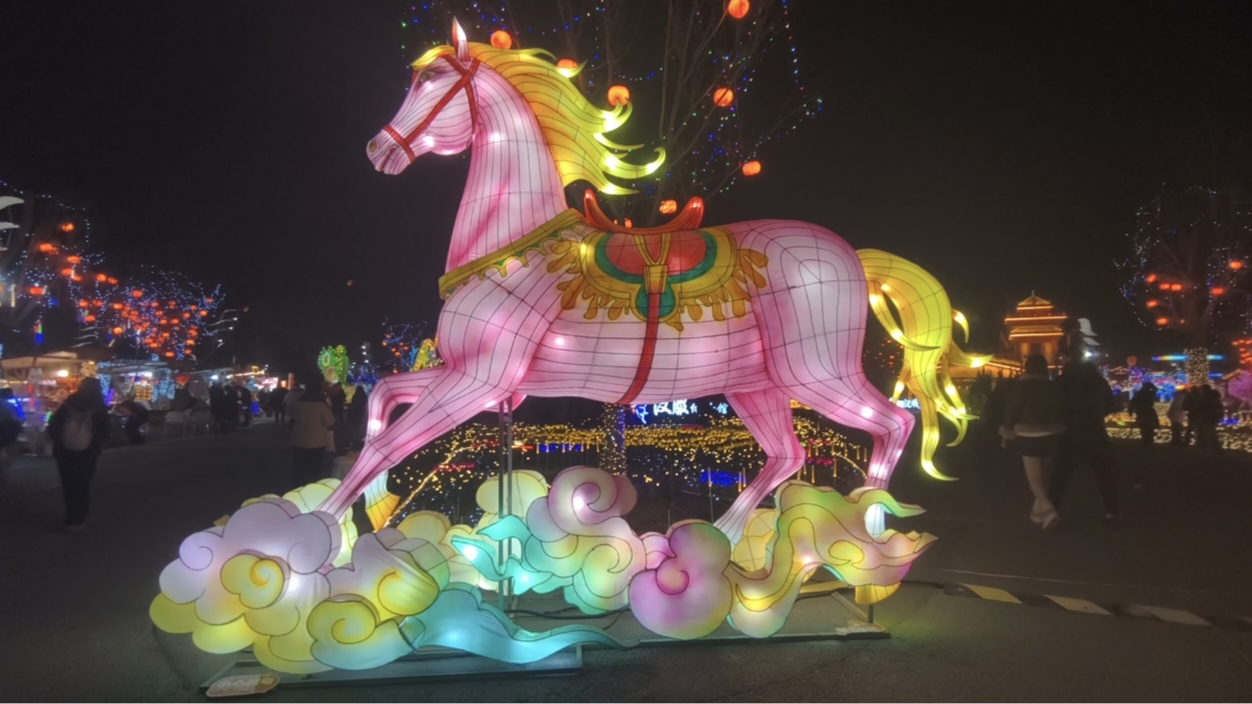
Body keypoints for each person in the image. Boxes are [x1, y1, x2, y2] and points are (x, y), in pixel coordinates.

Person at [1000, 354, 1065, 529]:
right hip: (1054, 434)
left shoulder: (1020, 387)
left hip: (1029, 435)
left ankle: (1048, 510)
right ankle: (1037, 514)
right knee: (1045, 475)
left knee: (1035, 478)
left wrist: (1006, 430)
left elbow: (1012, 412)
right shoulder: (1054, 387)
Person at [1050, 360, 1118, 521]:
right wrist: (1097, 414)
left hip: (1070, 432)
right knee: (1104, 474)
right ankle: (1111, 510)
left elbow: (1054, 405)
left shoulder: (1062, 382)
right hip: (1095, 431)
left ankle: (1052, 509)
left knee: (1060, 474)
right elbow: (1111, 405)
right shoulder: (1099, 381)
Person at [46, 377, 111, 529]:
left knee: (68, 483)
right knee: (83, 483)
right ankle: (80, 514)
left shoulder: (69, 403)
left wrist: (58, 441)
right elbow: (104, 432)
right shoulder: (99, 406)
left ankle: (71, 514)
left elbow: (53, 425)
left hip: (64, 451)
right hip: (87, 453)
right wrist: (96, 446)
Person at [290, 380, 335, 487]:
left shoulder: (297, 403)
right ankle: (311, 485)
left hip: (298, 438)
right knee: (314, 465)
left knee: (299, 464)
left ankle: (298, 484)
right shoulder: (320, 405)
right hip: (316, 439)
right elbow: (330, 421)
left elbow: (291, 415)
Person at [1193, 385, 1224, 453]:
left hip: (1206, 418)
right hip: (1212, 418)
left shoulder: (1205, 398)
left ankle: (1209, 448)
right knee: (1212, 433)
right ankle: (1215, 448)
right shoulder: (1215, 398)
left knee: (1207, 433)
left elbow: (1202, 408)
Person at [1130, 381, 1159, 446]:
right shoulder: (1150, 393)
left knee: (1144, 426)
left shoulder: (1139, 393)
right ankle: (1148, 440)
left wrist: (1130, 411)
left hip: (1141, 411)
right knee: (1148, 426)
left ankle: (1146, 439)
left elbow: (1132, 403)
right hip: (1147, 411)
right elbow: (1155, 389)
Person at [346, 385, 369, 450]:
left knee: (354, 427)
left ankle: (355, 440)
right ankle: (358, 439)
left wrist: (350, 410)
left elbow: (353, 405)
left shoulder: (356, 396)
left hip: (355, 414)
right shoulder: (364, 396)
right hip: (361, 413)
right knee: (359, 427)